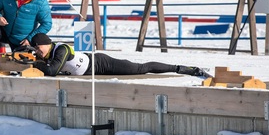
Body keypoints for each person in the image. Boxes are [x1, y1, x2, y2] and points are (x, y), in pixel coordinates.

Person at [30, 33, 211, 77]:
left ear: (46, 44)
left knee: (141, 69)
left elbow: (52, 71)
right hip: (91, 71)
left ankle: (184, 69)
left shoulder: (60, 49)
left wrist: (34, 64)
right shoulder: (48, 53)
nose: (38, 52)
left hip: (101, 64)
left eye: (38, 48)